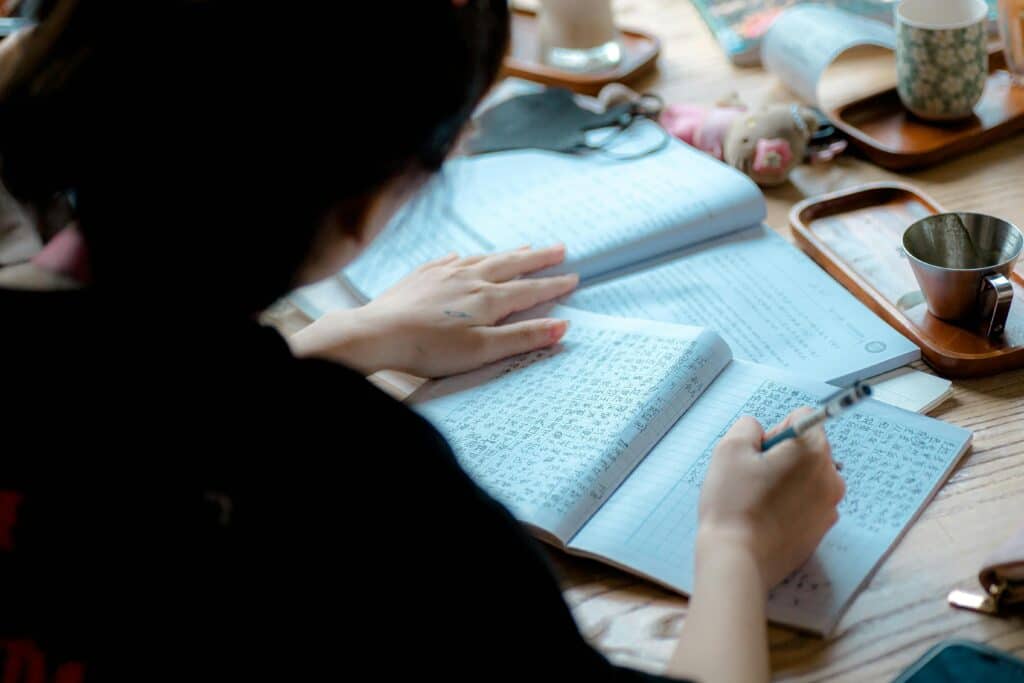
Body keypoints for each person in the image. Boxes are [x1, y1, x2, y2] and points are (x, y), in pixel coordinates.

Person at [0, 2, 845, 682]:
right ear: (360, 198)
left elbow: (130, 400)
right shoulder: (356, 472)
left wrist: (344, 336)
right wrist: (736, 548)